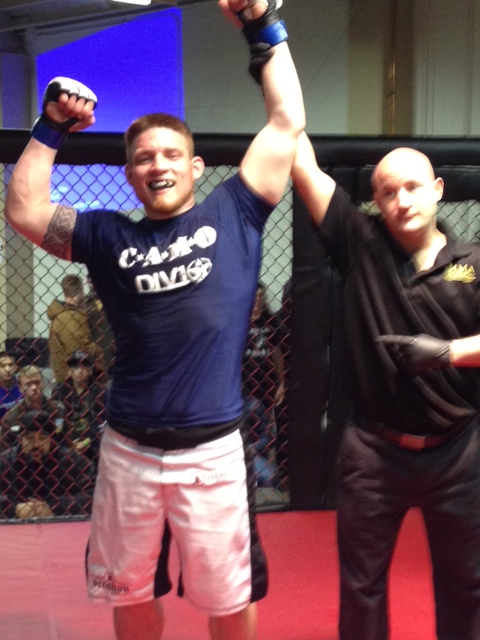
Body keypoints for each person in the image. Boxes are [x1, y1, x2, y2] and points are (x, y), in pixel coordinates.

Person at [5, 0, 304, 637]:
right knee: (130, 589)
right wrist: (51, 127)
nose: (158, 164)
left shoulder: (235, 212)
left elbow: (286, 122)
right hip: (129, 450)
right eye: (144, 158)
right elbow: (26, 210)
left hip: (214, 451)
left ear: (194, 167)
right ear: (130, 175)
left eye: (171, 154)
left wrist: (262, 27)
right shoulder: (108, 234)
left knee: (229, 597)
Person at [292, 132, 480, 640]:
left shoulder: (473, 263)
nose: (402, 201)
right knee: (362, 589)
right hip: (374, 453)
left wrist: (447, 352)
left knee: (467, 586)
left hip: (458, 453)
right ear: (376, 200)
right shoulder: (361, 241)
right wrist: (273, 76)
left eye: (413, 187)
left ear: (438, 189)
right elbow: (301, 162)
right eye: (389, 192)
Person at [0, 410, 95, 520]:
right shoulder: (5, 460)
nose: (36, 445)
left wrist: (54, 508)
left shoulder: (70, 460)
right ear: (21, 440)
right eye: (29, 438)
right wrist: (14, 508)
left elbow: (94, 492)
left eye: (42, 438)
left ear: (51, 440)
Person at [51, 349, 106, 465]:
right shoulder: (60, 390)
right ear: (69, 370)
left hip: (92, 441)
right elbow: (56, 421)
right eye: (75, 367)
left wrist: (86, 442)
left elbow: (101, 423)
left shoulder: (100, 391)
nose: (80, 371)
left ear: (90, 370)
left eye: (84, 367)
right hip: (66, 440)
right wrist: (68, 443)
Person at [47, 273, 103, 384]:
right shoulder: (69, 317)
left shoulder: (66, 314)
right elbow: (80, 351)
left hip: (71, 378)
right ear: (81, 289)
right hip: (73, 381)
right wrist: (100, 351)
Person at [1, 364, 64, 451]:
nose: (34, 388)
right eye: (28, 384)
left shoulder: (58, 409)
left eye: (37, 383)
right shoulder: (11, 419)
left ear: (43, 383)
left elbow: (66, 440)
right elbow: (4, 451)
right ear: (20, 388)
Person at [0, 351, 22, 420]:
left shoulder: (22, 381)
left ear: (16, 367)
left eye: (11, 365)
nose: (7, 369)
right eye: (2, 366)